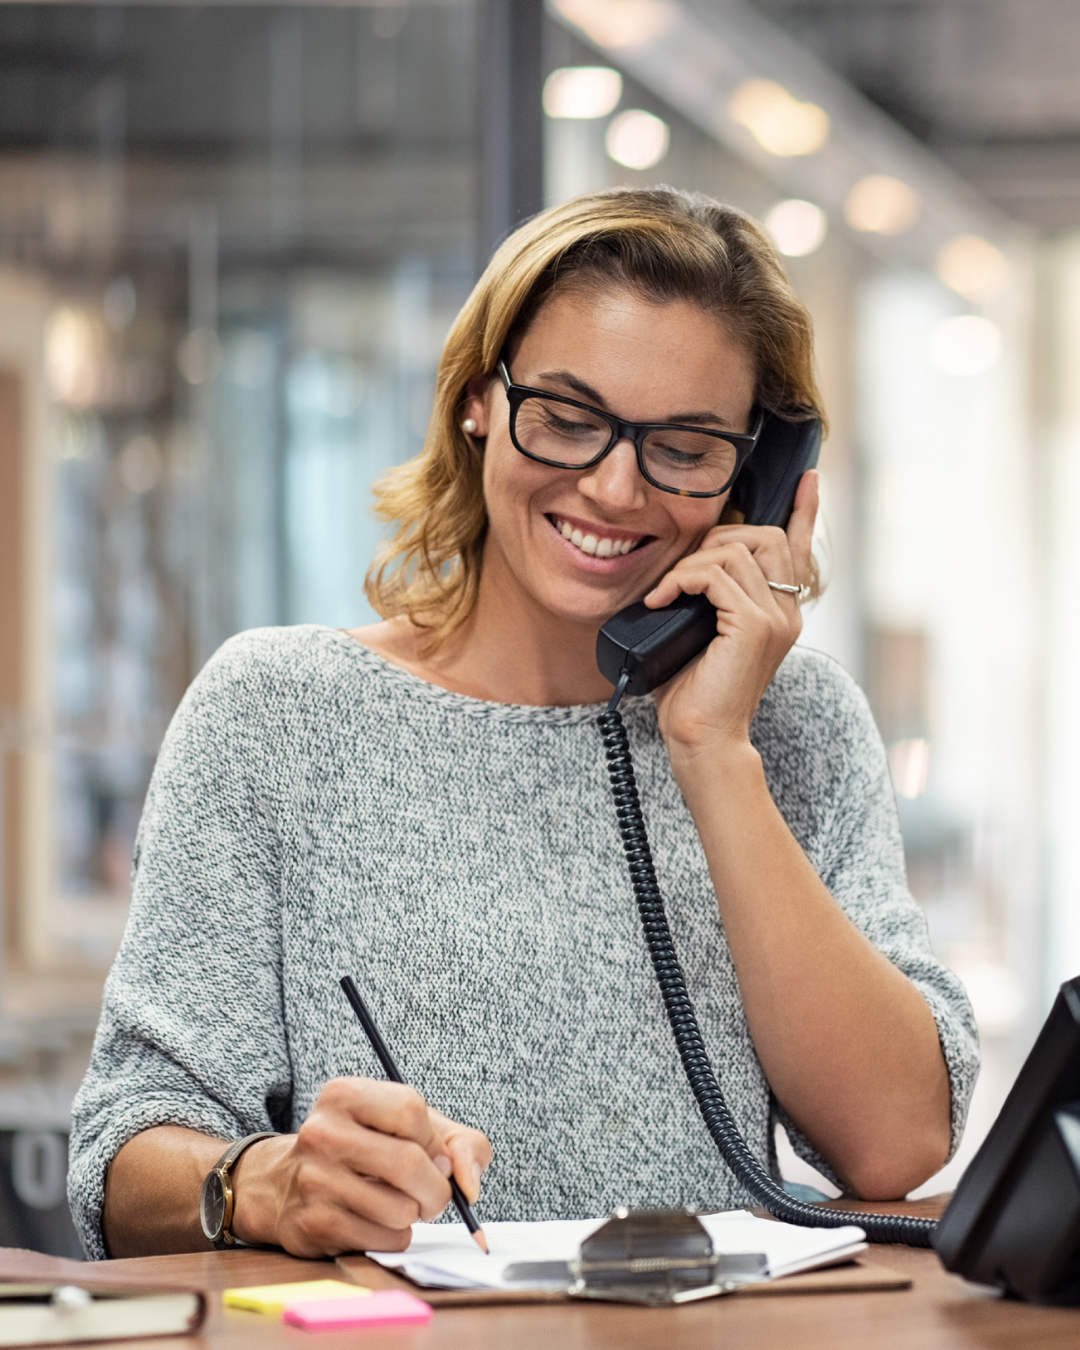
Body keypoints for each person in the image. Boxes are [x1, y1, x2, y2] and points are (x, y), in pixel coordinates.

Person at [69, 187, 978, 1261]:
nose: (613, 485)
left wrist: (713, 751)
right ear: (477, 401)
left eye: (685, 446)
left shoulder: (792, 724)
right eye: (567, 415)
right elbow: (120, 1154)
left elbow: (896, 1146)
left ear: (762, 476)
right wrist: (260, 1182)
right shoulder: (276, 712)